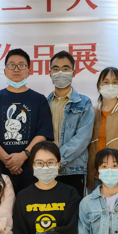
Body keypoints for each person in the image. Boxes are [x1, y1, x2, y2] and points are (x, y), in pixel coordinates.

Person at [0, 48, 54, 195]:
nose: (16, 69)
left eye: (21, 65)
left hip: (32, 170)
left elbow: (43, 134)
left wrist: (23, 155)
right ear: (5, 71)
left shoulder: (39, 100)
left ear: (29, 71)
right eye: (12, 65)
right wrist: (7, 160)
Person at [46, 50, 95, 197]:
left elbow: (83, 138)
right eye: (56, 69)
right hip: (46, 170)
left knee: (73, 210)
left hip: (73, 170)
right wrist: (47, 162)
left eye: (65, 68)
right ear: (50, 73)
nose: (60, 73)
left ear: (74, 73)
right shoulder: (44, 103)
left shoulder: (84, 103)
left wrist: (58, 159)